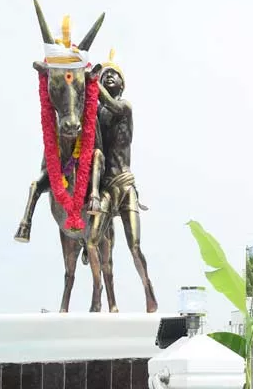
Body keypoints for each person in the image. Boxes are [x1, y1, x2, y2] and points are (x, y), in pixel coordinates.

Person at [84, 51, 158, 313]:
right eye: (105, 76)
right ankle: (98, 290)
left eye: (114, 75)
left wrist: (93, 82)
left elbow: (110, 103)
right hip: (105, 186)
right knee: (92, 241)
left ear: (122, 84)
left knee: (134, 247)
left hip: (125, 185)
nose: (109, 78)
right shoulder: (97, 114)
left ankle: (147, 287)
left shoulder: (124, 106)